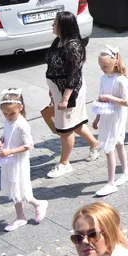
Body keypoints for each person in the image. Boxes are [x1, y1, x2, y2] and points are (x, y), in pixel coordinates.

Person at [44, 11, 100, 178]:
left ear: (63, 26)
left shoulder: (73, 45)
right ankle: (95, 144)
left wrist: (65, 98)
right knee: (74, 123)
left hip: (69, 91)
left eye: (55, 23)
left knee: (65, 128)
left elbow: (74, 73)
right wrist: (52, 89)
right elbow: (53, 66)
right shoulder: (58, 41)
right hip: (58, 89)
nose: (52, 25)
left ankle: (64, 163)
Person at [0, 89, 48, 231]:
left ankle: (37, 204)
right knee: (13, 188)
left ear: (20, 108)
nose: (8, 116)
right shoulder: (9, 121)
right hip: (9, 160)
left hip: (18, 160)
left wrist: (10, 151)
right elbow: (6, 135)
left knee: (19, 187)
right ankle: (20, 216)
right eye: (5, 114)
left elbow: (29, 145)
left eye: (12, 113)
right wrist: (1, 141)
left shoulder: (22, 124)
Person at [90, 47, 128, 197]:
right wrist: (97, 117)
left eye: (106, 66)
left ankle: (110, 182)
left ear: (114, 63)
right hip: (107, 115)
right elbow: (100, 97)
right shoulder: (103, 78)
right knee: (119, 144)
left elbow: (126, 102)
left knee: (110, 147)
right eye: (101, 66)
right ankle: (126, 172)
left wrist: (110, 97)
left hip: (117, 116)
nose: (103, 69)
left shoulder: (120, 80)